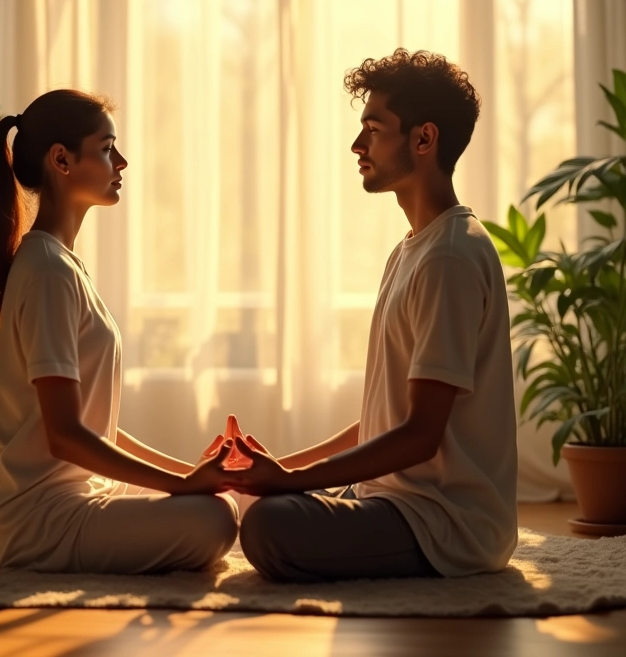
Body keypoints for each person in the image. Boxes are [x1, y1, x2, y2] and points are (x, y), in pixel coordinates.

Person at [218, 48, 518, 583]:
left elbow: (421, 435)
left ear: (423, 140)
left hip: (444, 524)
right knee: (255, 505)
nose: (357, 145)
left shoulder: (449, 256)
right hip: (395, 499)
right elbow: (388, 420)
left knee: (268, 526)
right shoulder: (412, 249)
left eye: (373, 129)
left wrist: (292, 483)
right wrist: (288, 469)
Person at [0, 90, 237, 574]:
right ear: (62, 160)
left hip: (77, 495)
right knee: (217, 518)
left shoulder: (60, 264)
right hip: (39, 521)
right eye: (107, 147)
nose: (123, 161)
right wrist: (182, 488)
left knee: (233, 495)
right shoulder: (50, 272)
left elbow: (95, 429)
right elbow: (66, 437)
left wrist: (184, 473)